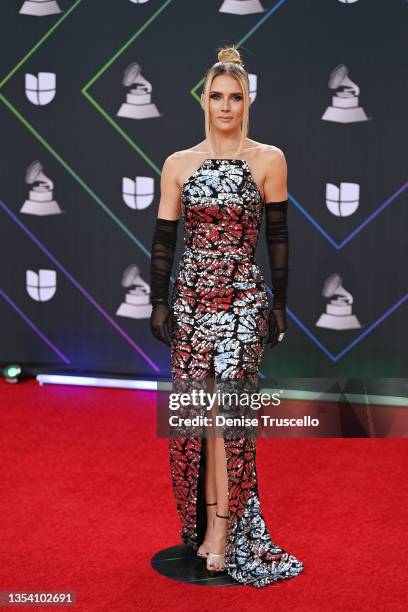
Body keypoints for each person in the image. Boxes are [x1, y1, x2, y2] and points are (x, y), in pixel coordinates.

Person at [149, 45, 304, 588]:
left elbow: (278, 236)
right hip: (191, 301)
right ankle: (207, 525)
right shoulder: (178, 163)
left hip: (241, 300)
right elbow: (165, 236)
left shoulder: (268, 159)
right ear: (202, 100)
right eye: (216, 96)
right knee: (198, 418)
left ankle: (223, 531)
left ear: (247, 101)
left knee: (228, 416)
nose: (225, 105)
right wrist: (159, 299)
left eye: (235, 97)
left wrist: (279, 302)